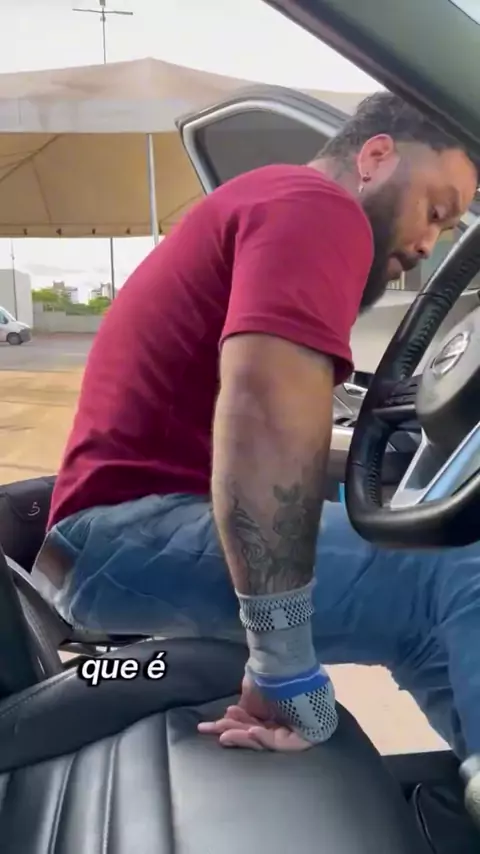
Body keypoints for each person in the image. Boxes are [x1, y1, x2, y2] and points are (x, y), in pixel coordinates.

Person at [33, 93, 478, 765]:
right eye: (435, 211)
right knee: (458, 556)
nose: (425, 245)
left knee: (427, 619)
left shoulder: (267, 201)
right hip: (122, 543)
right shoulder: (315, 206)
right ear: (377, 156)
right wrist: (283, 664)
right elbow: (267, 417)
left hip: (108, 547)